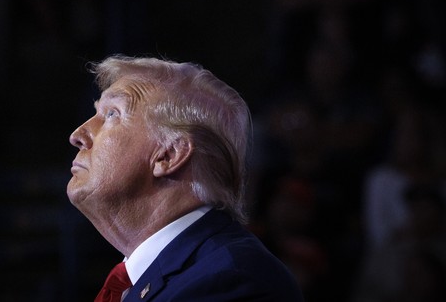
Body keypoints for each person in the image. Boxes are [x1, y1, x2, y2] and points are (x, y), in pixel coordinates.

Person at [67, 55, 304, 301]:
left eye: (111, 115)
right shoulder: (146, 281)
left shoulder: (231, 281)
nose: (78, 134)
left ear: (169, 155)